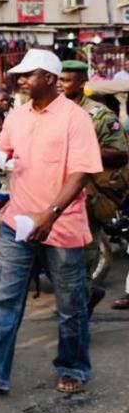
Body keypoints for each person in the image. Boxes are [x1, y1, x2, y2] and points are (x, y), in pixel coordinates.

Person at [0, 49, 102, 395]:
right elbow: (4, 159)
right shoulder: (17, 116)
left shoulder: (74, 118)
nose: (19, 80)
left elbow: (81, 173)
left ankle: (73, 368)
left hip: (61, 225)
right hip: (16, 222)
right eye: (19, 75)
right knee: (5, 299)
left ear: (49, 79)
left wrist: (50, 214)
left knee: (70, 306)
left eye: (27, 75)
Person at [58, 60, 128, 317]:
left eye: (66, 80)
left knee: (79, 263)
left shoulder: (99, 116)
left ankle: (80, 315)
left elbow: (120, 155)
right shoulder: (51, 112)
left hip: (86, 198)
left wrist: (82, 151)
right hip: (51, 196)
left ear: (82, 83)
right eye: (57, 79)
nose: (60, 85)